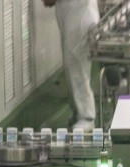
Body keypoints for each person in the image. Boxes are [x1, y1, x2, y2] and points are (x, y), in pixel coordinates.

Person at [43, 0, 99, 130]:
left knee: (77, 64)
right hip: (68, 11)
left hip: (81, 13)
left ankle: (87, 116)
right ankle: (78, 111)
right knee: (70, 65)